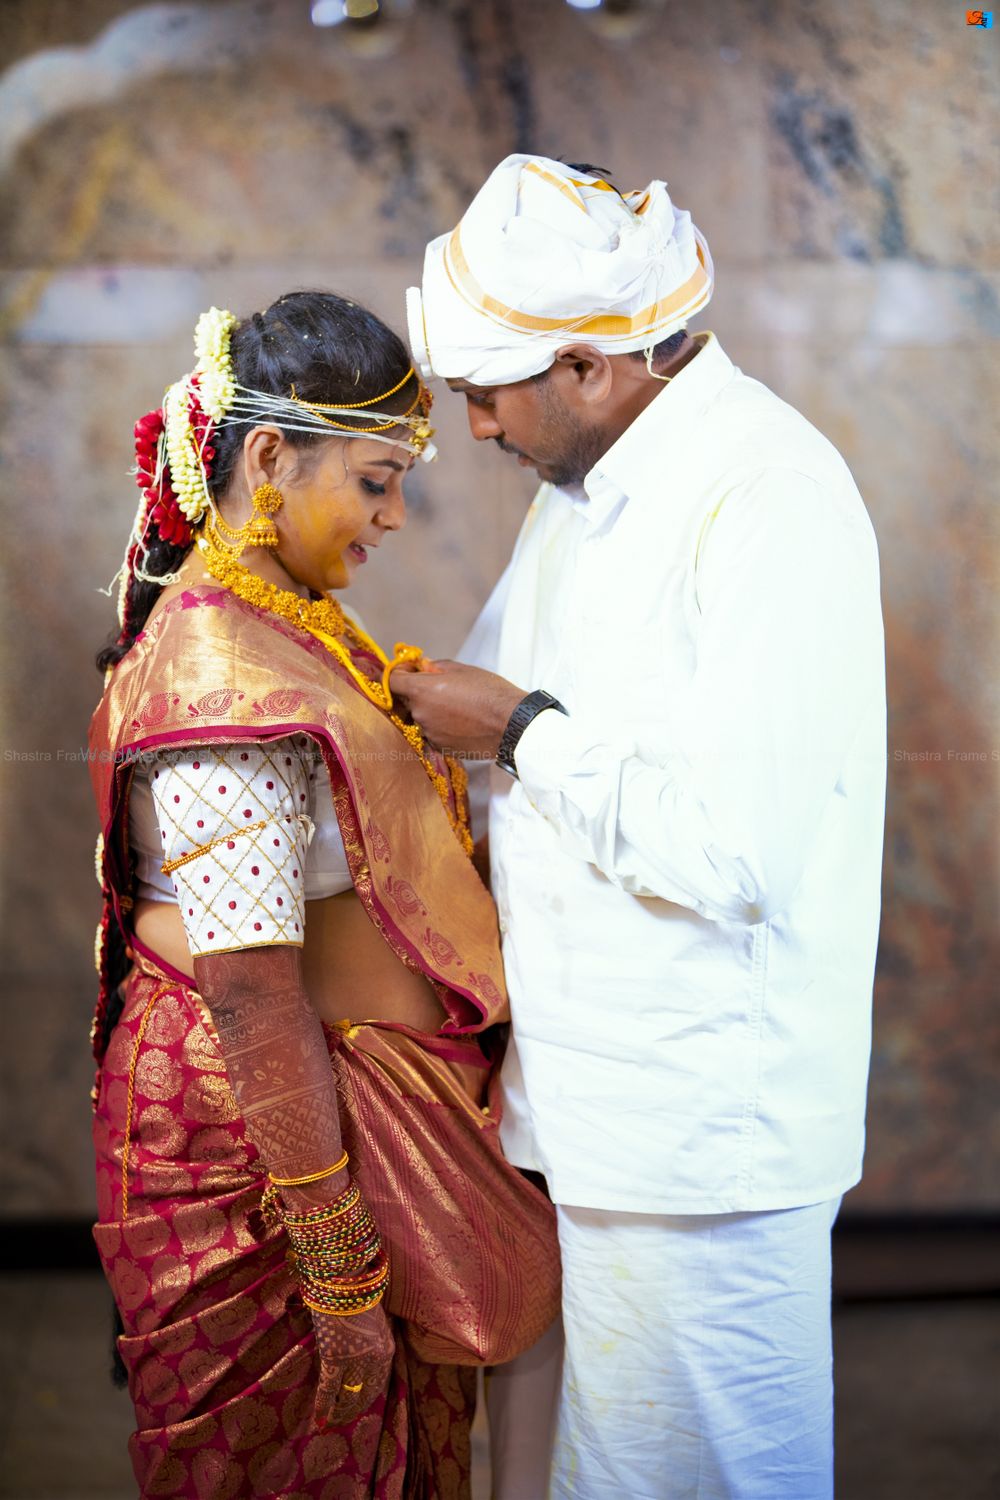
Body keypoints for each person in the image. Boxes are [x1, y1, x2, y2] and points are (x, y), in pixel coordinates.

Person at [394, 155, 887, 1500]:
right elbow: (478, 736)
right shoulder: (581, 502)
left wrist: (517, 731)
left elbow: (736, 849)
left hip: (707, 1147)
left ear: (590, 369)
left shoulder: (766, 494)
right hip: (598, 1128)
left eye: (489, 396)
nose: (480, 429)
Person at [88, 291, 560, 1499]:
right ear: (266, 458)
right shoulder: (221, 678)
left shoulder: (285, 622)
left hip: (359, 1116)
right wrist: (340, 1274)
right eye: (374, 478)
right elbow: (247, 994)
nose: (395, 515)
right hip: (268, 1160)